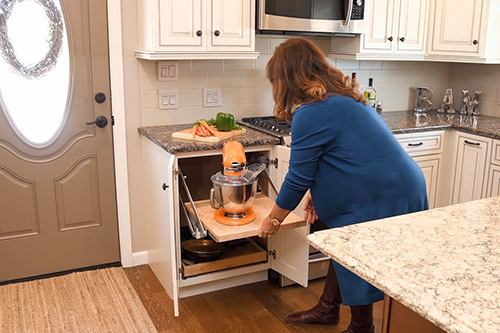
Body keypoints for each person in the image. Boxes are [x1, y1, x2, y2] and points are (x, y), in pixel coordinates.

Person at [257, 38, 428, 333]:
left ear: (286, 79)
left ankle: (362, 327)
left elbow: (297, 177)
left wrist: (274, 219)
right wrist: (317, 193)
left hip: (384, 193)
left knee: (353, 246)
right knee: (342, 241)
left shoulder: (310, 113)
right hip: (399, 184)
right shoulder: (343, 100)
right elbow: (336, 158)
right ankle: (328, 308)